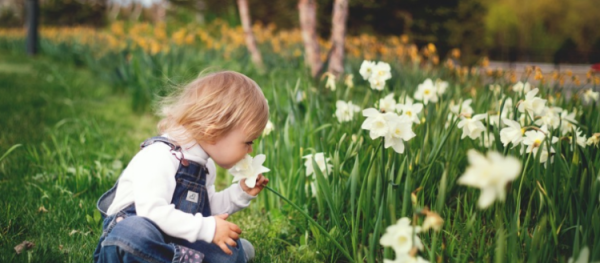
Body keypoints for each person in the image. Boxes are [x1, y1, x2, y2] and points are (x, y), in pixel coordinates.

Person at [93, 71, 270, 263]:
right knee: (131, 234)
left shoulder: (205, 164)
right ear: (213, 133)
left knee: (230, 249)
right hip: (137, 236)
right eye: (248, 142)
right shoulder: (160, 155)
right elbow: (152, 212)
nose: (251, 150)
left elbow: (206, 210)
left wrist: (241, 192)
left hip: (173, 238)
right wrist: (208, 229)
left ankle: (182, 257)